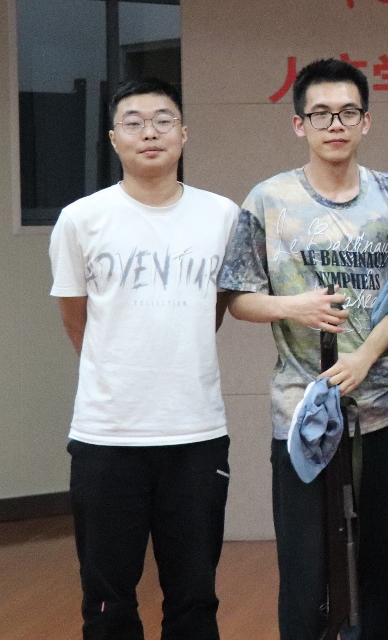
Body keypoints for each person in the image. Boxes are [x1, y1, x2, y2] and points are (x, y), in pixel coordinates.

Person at [218, 58, 388, 639]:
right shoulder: (268, 199)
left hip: (382, 409)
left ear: (366, 121)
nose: (335, 124)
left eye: (348, 113)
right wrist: (294, 306)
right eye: (321, 114)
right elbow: (238, 298)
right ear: (298, 124)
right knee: (307, 573)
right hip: (300, 412)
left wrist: (364, 357)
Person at [50, 77, 238, 639]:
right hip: (107, 436)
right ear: (113, 138)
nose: (149, 132)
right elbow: (75, 318)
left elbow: (218, 307)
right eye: (133, 122)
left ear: (184, 133)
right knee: (107, 603)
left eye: (162, 120)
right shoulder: (81, 219)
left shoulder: (221, 215)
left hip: (196, 433)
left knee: (195, 599)